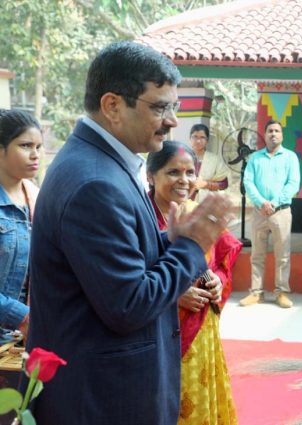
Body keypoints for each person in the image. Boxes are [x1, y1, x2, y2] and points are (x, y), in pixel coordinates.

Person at [26, 41, 233, 425]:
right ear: (113, 106)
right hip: (103, 399)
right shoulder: (94, 182)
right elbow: (129, 304)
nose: (172, 121)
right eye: (160, 107)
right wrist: (191, 246)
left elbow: (123, 261)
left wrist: (169, 241)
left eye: (174, 107)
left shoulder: (105, 164)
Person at [146, 141, 239, 425]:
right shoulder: (141, 218)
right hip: (163, 335)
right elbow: (132, 279)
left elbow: (224, 259)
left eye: (189, 172)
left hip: (203, 332)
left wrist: (219, 282)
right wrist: (174, 294)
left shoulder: (200, 215)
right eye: (173, 172)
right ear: (151, 176)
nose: (184, 180)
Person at [239, 119, 300, 308]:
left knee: (283, 255)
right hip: (259, 213)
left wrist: (273, 203)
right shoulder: (255, 158)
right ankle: (256, 293)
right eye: (270, 131)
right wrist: (261, 203)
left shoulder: (290, 157)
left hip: (281, 212)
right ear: (264, 135)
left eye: (277, 131)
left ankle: (281, 292)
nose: (273, 134)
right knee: (257, 254)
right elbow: (248, 182)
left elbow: (293, 184)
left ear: (282, 135)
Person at [0, 110, 41, 341]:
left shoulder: (39, 199)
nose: (35, 155)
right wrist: (21, 316)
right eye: (25, 146)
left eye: (38, 147)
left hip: (20, 339)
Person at [188, 123, 229, 203]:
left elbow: (224, 184)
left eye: (202, 137)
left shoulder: (214, 159)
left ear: (207, 141)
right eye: (195, 137)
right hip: (185, 201)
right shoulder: (182, 157)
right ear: (190, 138)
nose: (198, 141)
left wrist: (205, 184)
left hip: (207, 202)